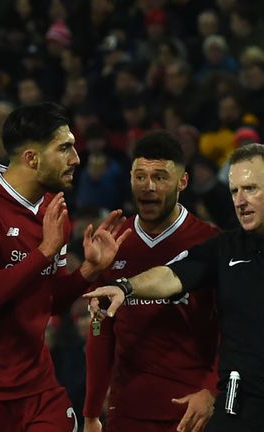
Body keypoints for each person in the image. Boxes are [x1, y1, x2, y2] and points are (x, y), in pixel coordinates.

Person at [86, 143, 264, 432]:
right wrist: (125, 287)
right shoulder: (224, 247)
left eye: (251, 189)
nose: (240, 200)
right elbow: (171, 276)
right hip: (238, 408)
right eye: (234, 191)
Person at [0, 102, 131, 432]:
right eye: (65, 148)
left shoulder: (53, 212)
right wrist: (43, 253)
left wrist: (89, 270)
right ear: (32, 158)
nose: (76, 159)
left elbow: (50, 300)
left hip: (35, 382)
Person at [83, 131, 221, 432]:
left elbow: (232, 330)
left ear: (182, 182)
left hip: (193, 411)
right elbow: (100, 331)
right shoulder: (113, 243)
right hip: (127, 411)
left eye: (160, 177)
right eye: (140, 176)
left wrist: (212, 390)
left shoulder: (210, 242)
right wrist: (92, 411)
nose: (148, 187)